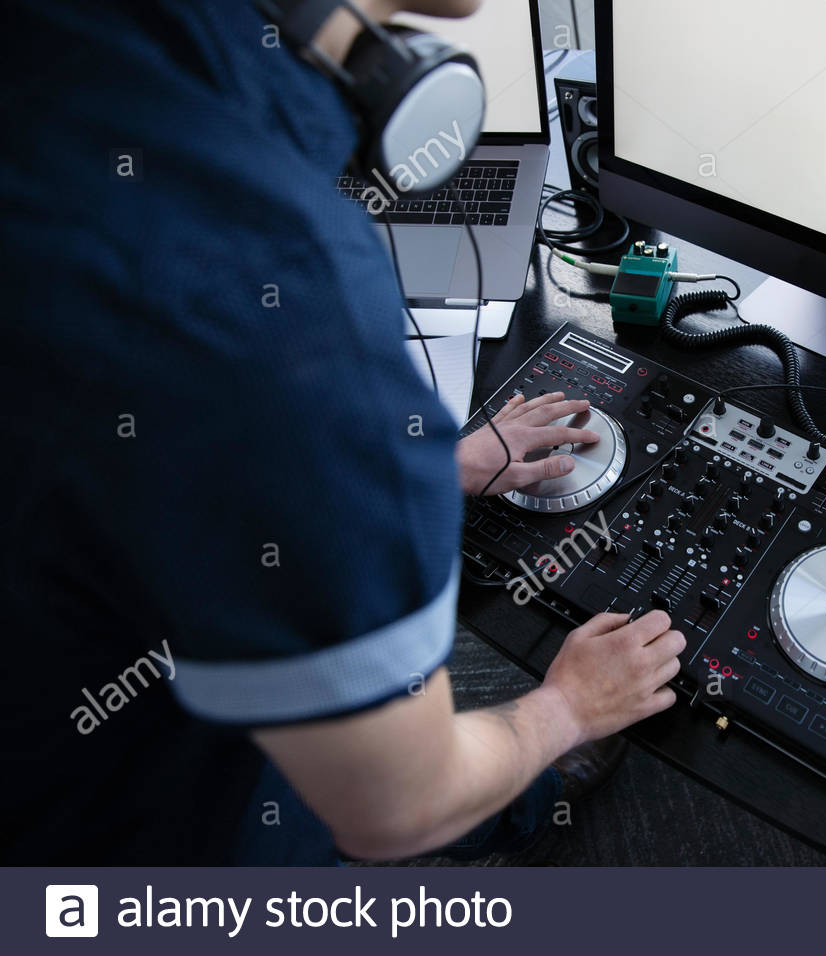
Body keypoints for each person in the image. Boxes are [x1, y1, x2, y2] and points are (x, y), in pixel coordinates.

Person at [0, 0, 684, 864]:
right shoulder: (270, 297)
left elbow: (141, 451)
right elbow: (399, 810)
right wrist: (568, 708)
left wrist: (436, 467)